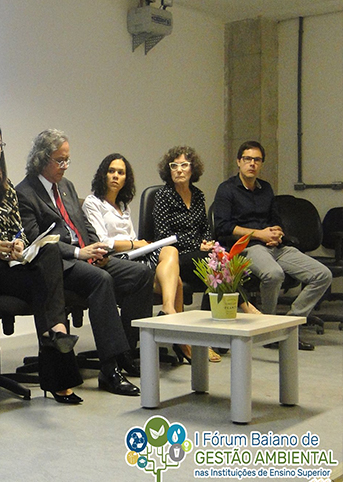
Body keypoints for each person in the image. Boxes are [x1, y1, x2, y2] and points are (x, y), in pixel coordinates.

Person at [0, 118, 83, 403]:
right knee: (45, 287)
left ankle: (55, 334)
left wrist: (19, 243)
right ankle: (58, 354)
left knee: (49, 253)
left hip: (11, 264)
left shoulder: (5, 187)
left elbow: (17, 229)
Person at [16, 129, 151, 397]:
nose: (65, 166)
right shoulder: (25, 193)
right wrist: (79, 253)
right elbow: (37, 242)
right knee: (101, 280)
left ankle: (125, 351)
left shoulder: (66, 186)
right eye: (60, 160)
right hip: (60, 264)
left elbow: (82, 224)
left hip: (87, 256)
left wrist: (97, 248)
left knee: (142, 274)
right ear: (42, 158)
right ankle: (110, 370)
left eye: (67, 160)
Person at [213, 140, 332, 350]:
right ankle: (267, 330)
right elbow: (223, 227)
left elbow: (275, 219)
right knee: (274, 274)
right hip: (247, 247)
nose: (252, 164)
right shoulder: (227, 190)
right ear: (239, 162)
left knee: (322, 275)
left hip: (275, 246)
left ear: (261, 164)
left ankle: (288, 327)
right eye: (247, 159)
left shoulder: (266, 189)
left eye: (257, 160)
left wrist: (277, 232)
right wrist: (258, 234)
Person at [153, 145, 260, 361]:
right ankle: (247, 307)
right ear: (168, 170)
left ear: (193, 169)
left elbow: (206, 229)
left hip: (199, 255)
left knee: (220, 261)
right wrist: (196, 244)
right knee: (215, 264)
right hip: (174, 257)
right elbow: (162, 235)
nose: (179, 170)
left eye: (184, 165)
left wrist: (208, 243)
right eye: (174, 166)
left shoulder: (198, 195)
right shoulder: (162, 196)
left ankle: (211, 336)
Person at [83, 153, 190, 361]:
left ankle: (168, 311)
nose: (116, 176)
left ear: (126, 179)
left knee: (171, 252)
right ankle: (181, 342)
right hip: (113, 258)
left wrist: (139, 246)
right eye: (111, 171)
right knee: (175, 281)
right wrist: (136, 244)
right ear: (103, 175)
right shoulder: (93, 202)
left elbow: (131, 237)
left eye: (120, 172)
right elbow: (102, 241)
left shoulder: (124, 206)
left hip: (133, 255)